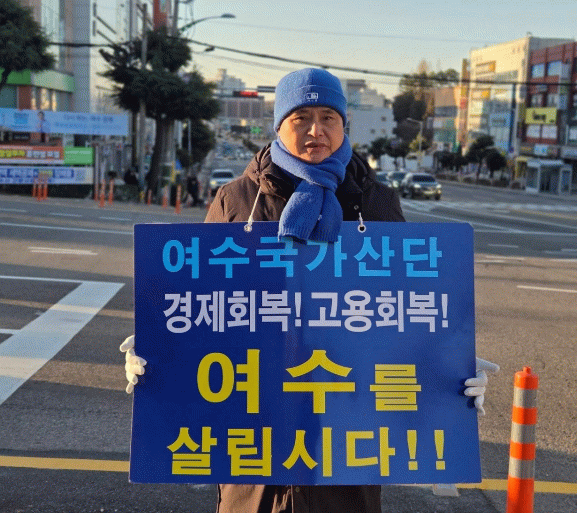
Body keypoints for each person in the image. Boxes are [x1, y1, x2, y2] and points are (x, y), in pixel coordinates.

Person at [121, 68, 499, 513]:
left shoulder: (375, 202)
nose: (316, 130)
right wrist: (161, 352)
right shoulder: (237, 199)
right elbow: (204, 304)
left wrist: (449, 368)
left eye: (328, 117)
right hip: (253, 430)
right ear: (279, 125)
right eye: (301, 117)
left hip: (347, 433)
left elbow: (403, 310)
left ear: (344, 125)